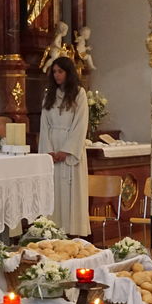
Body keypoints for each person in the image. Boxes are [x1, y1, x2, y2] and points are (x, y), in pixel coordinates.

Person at [38, 56, 90, 236]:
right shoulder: (49, 95)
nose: (57, 75)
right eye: (54, 72)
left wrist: (66, 151)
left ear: (68, 72)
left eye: (60, 71)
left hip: (70, 148)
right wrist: (49, 151)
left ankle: (73, 232)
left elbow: (81, 124)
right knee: (54, 192)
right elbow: (44, 124)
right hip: (53, 147)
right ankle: (53, 231)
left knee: (71, 192)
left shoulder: (79, 94)